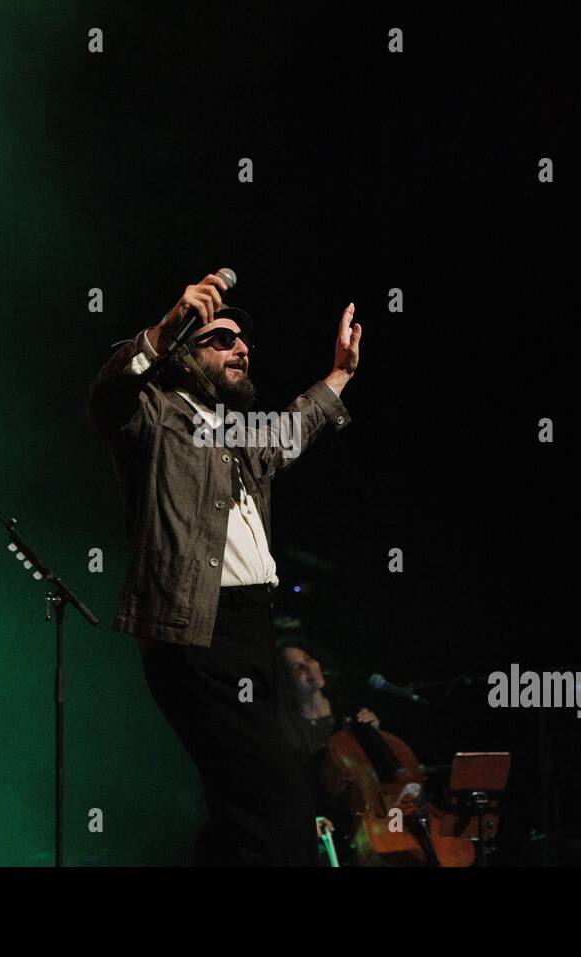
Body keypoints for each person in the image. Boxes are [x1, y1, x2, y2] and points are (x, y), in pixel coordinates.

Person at [86, 271, 361, 865]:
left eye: (244, 342)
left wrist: (339, 373)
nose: (240, 348)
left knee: (239, 810)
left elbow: (291, 431)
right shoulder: (154, 417)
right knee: (280, 808)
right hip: (195, 631)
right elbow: (107, 395)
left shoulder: (234, 431)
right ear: (185, 354)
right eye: (222, 338)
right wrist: (164, 328)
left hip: (249, 631)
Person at [276, 640, 381, 864]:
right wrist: (305, 820)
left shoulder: (345, 710)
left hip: (357, 817)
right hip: (314, 822)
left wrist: (374, 736)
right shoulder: (283, 728)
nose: (309, 668)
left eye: (308, 659)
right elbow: (281, 785)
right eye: (297, 668)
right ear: (286, 684)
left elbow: (369, 770)